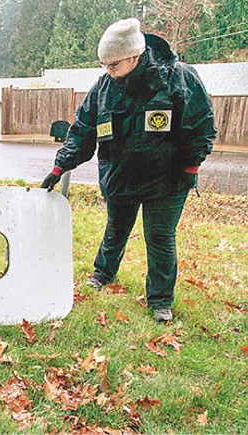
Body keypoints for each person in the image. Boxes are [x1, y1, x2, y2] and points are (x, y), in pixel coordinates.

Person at [40, 18, 216, 322]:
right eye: (104, 64)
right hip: (120, 176)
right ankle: (103, 273)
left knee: (160, 238)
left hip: (167, 179)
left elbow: (201, 126)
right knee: (116, 229)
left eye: (114, 63)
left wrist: (191, 165)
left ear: (134, 56)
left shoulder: (178, 78)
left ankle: (160, 300)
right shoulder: (104, 87)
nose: (108, 70)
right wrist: (60, 166)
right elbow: (83, 130)